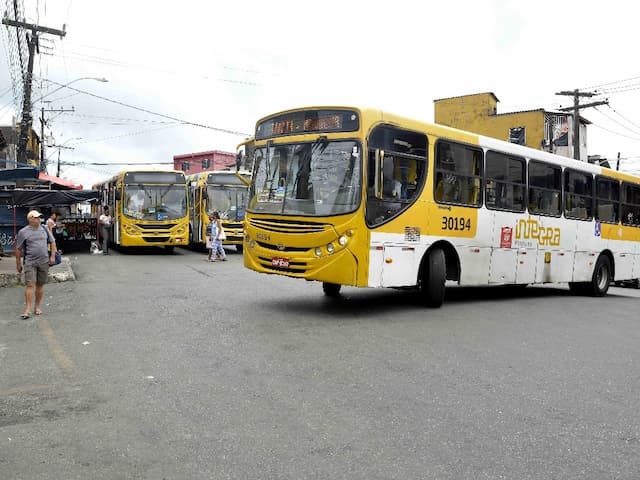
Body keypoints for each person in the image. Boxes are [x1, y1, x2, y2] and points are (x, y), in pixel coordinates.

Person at [15, 210, 57, 319]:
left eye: (39, 217)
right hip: (30, 262)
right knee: (30, 285)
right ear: (30, 219)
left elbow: (52, 242)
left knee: (40, 285)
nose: (39, 219)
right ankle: (27, 310)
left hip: (44, 261)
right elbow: (18, 249)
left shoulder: (44, 229)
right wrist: (18, 264)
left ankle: (37, 307)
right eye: (36, 217)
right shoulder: (23, 232)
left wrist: (52, 256)